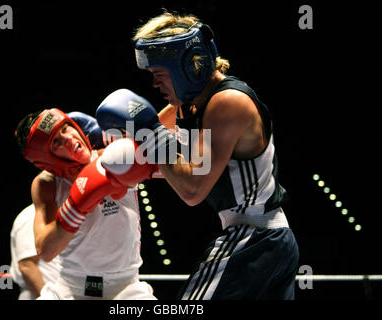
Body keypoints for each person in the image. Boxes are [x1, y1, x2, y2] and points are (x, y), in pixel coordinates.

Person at [95, 11, 299, 300]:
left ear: (188, 67)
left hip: (254, 237)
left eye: (158, 74)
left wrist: (149, 134)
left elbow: (192, 189)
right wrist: (92, 155)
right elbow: (146, 140)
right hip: (264, 240)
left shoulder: (227, 103)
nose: (154, 85)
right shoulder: (188, 107)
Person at [15, 108, 157, 299]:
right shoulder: (47, 184)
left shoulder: (113, 157)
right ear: (46, 159)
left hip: (126, 289)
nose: (68, 138)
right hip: (69, 289)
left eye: (66, 128)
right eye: (56, 141)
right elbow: (45, 251)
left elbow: (179, 158)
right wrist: (76, 206)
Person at [10, 204, 60, 299]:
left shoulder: (60, 212)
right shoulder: (30, 215)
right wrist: (46, 297)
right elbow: (27, 266)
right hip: (37, 295)